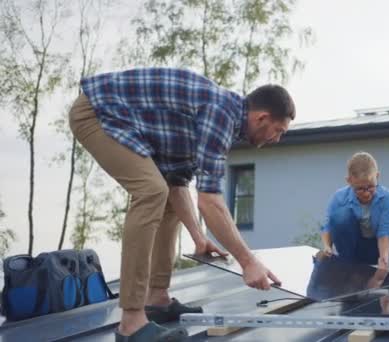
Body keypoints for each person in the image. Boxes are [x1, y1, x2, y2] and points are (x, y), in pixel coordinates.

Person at [69, 67, 294, 341]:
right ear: (262, 117)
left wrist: (199, 238)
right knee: (151, 191)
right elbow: (210, 201)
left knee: (165, 193)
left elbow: (178, 184)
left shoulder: (222, 120)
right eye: (278, 131)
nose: (277, 138)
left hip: (123, 120)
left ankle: (157, 298)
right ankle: (131, 323)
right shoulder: (220, 113)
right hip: (96, 112)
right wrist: (248, 262)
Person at [320, 152, 389, 273]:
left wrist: (384, 259)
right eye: (360, 189)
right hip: (356, 249)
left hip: (381, 247)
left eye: (371, 187)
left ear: (377, 176)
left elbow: (384, 232)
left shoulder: (385, 196)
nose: (366, 193)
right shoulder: (339, 197)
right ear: (349, 181)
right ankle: (348, 267)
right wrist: (326, 247)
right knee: (340, 216)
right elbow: (328, 226)